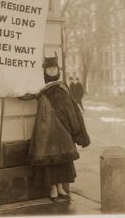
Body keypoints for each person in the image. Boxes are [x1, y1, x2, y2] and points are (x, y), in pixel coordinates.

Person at [22, 54, 90, 202]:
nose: (52, 70)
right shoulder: (39, 86)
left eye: (54, 68)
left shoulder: (63, 86)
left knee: (63, 160)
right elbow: (25, 95)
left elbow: (73, 109)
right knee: (49, 160)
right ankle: (52, 188)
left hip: (63, 130)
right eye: (49, 68)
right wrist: (10, 89)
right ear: (45, 70)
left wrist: (78, 131)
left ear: (57, 69)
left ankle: (61, 187)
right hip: (46, 131)